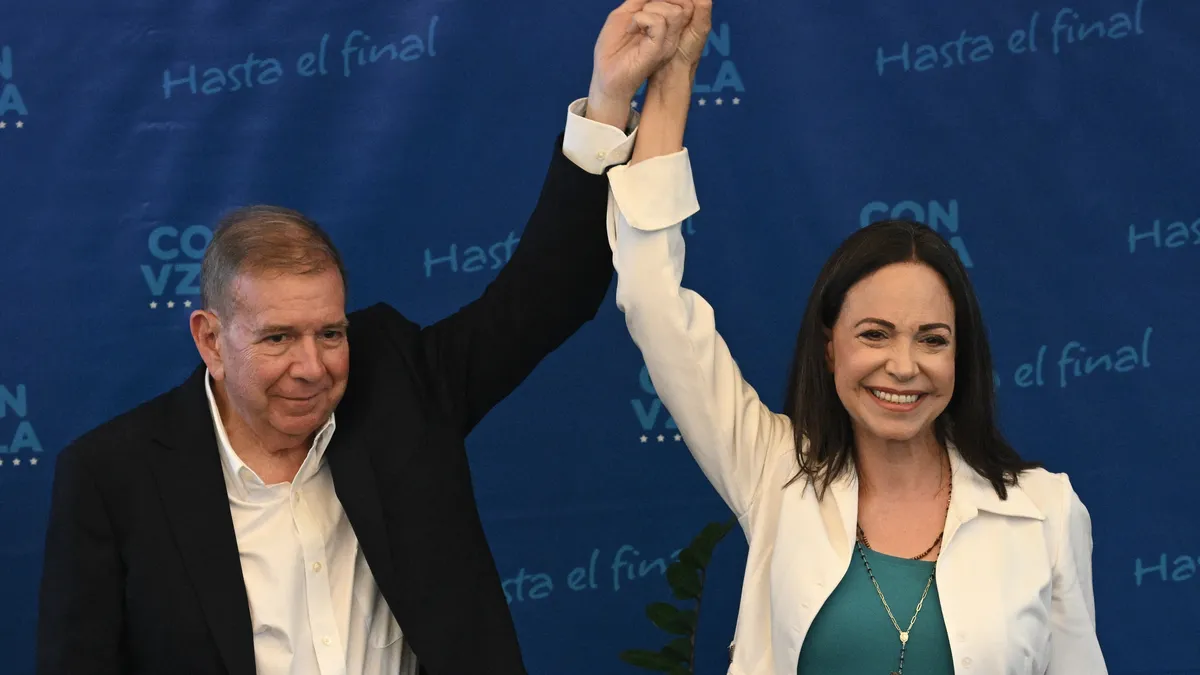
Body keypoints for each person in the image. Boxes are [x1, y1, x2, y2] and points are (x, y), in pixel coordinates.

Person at [34, 2, 699, 673]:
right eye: (277, 339)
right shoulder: (113, 477)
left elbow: (546, 295)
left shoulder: (398, 385)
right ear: (210, 339)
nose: (312, 366)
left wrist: (608, 100)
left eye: (330, 332)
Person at [603, 4, 1109, 673]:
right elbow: (652, 301)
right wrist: (674, 78)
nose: (903, 365)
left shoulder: (1045, 510)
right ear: (829, 345)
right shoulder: (774, 473)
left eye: (932, 339)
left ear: (962, 356)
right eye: (874, 334)